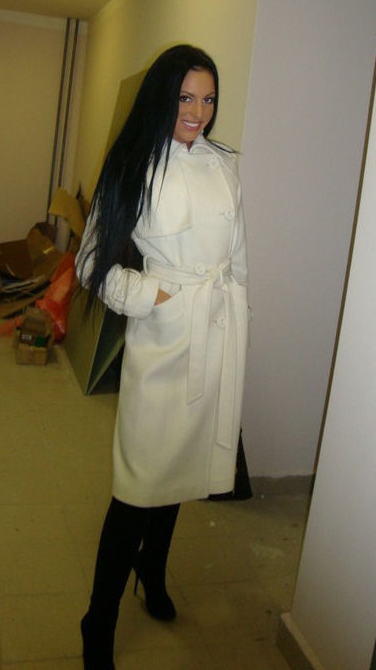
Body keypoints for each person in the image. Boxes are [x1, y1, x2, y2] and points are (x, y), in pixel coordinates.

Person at [75, 44, 250, 669]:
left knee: (180, 471)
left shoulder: (225, 165)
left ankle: (152, 570)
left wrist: (237, 320)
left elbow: (238, 259)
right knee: (139, 484)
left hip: (215, 330)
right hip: (165, 337)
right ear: (161, 97)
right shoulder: (132, 165)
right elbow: (91, 263)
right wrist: (154, 295)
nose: (199, 112)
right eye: (185, 98)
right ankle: (97, 618)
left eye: (208, 99)